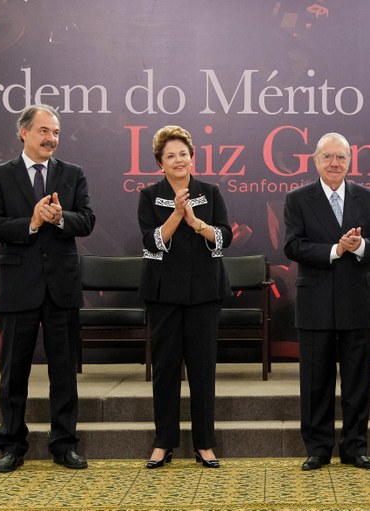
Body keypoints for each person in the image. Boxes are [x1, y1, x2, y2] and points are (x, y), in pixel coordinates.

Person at [0, 104, 95, 473]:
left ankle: (63, 444)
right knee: (13, 371)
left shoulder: (73, 174)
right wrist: (29, 222)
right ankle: (12, 446)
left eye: (56, 132)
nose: (52, 138)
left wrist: (62, 218)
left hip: (61, 287)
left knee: (63, 371)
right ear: (24, 133)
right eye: (44, 131)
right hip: (18, 286)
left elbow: (88, 220)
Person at [284, 132, 370, 471]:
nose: (334, 163)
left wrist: (358, 247)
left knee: (358, 382)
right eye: (327, 157)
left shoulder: (367, 197)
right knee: (315, 382)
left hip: (357, 302)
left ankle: (355, 448)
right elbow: (293, 247)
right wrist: (335, 250)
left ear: (349, 161)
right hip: (315, 303)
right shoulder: (298, 198)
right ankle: (317, 448)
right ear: (315, 161)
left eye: (340, 157)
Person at [138, 125, 232, 469]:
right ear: (160, 164)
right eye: (170, 156)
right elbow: (152, 241)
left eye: (183, 154)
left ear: (192, 158)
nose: (178, 160)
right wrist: (177, 214)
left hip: (205, 293)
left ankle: (205, 443)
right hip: (164, 295)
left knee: (203, 370)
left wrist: (196, 223)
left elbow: (224, 237)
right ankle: (163, 442)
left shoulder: (211, 191)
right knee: (165, 370)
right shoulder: (149, 195)